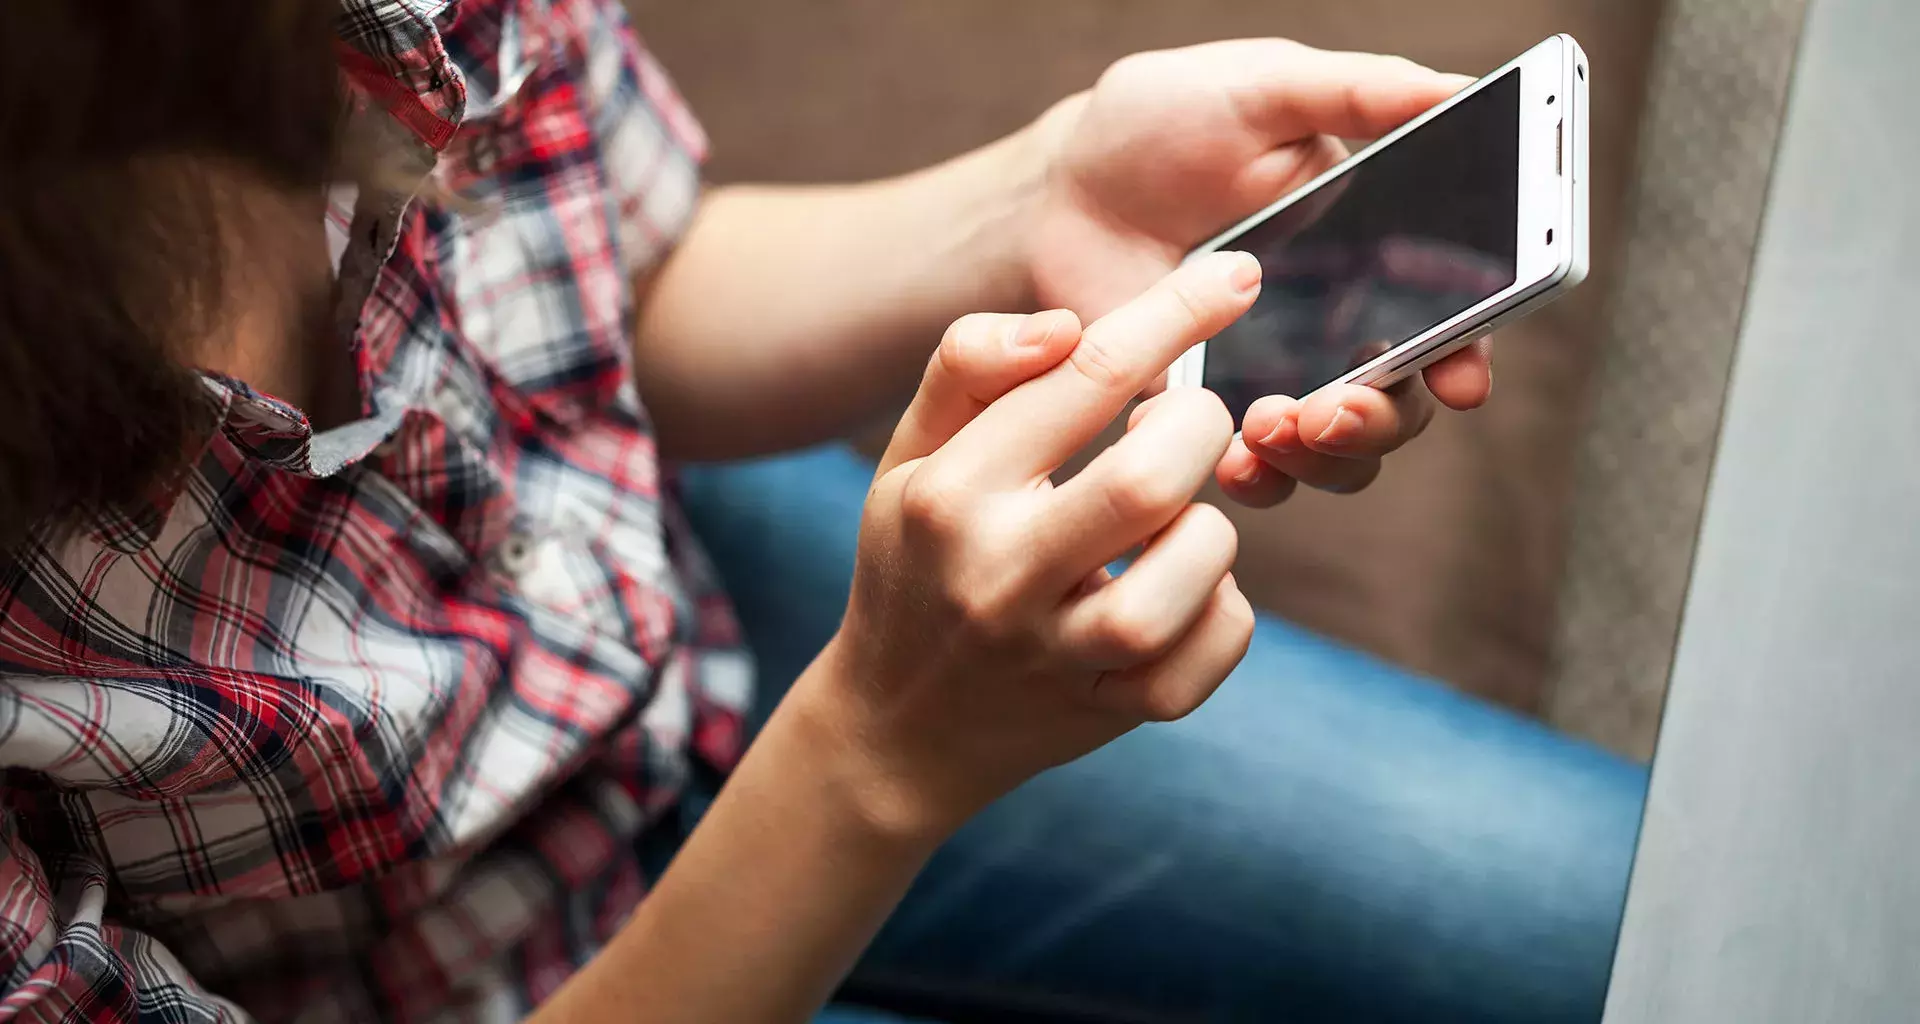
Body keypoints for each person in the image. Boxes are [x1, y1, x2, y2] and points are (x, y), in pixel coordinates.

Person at [0, 3, 1646, 1022]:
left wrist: (1039, 193)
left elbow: (615, 279)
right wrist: (872, 758)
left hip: (674, 604)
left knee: (1648, 926)